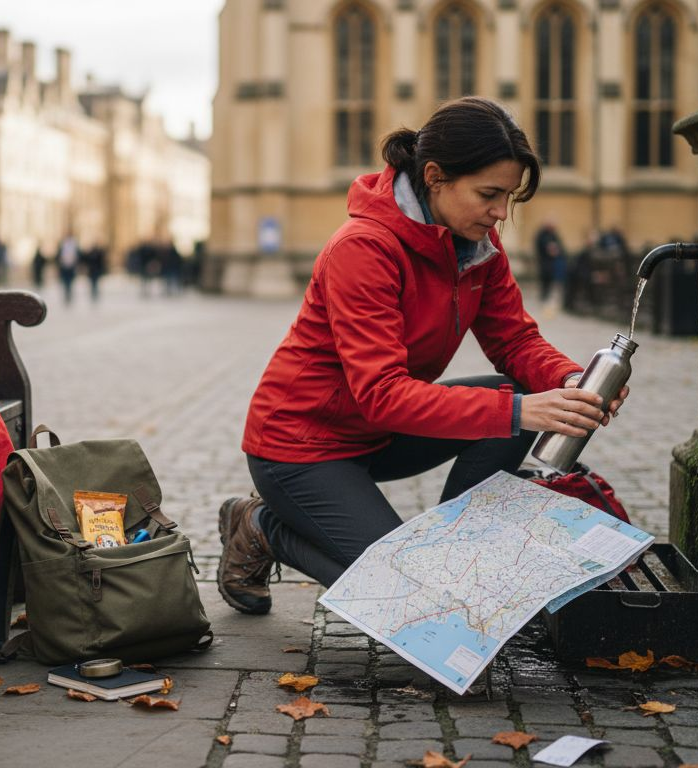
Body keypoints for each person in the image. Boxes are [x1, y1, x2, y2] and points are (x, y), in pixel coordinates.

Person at [216, 96, 630, 616]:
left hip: (379, 432)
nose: (500, 212)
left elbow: (515, 341)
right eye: (489, 194)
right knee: (404, 597)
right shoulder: (364, 248)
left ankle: (449, 557)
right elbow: (382, 393)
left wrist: (574, 382)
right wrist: (524, 411)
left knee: (522, 396)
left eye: (508, 197)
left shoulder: (478, 243)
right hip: (301, 447)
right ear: (435, 176)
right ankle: (261, 526)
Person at [533, 220, 566, 305]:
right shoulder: (541, 234)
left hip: (552, 262)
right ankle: (544, 295)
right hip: (544, 261)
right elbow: (539, 246)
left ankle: (547, 295)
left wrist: (556, 250)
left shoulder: (554, 235)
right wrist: (547, 249)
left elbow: (560, 247)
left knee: (550, 279)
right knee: (544, 279)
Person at [56, 231, 79, 305]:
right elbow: (58, 256)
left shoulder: (74, 245)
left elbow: (78, 256)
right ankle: (67, 295)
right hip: (64, 267)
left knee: (70, 282)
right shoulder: (63, 245)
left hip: (71, 267)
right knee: (65, 282)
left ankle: (69, 294)